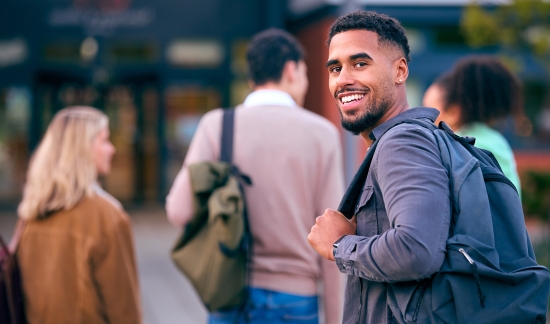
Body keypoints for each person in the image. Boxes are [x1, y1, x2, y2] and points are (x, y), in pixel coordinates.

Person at [166, 28, 344, 324]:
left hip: (229, 292)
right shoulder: (321, 134)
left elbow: (178, 211)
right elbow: (333, 236)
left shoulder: (217, 126)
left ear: (252, 78)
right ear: (291, 68)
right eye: (305, 72)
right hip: (294, 299)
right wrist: (337, 315)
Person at [307, 11, 452, 323]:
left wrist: (340, 245)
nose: (343, 79)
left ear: (400, 71)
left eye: (360, 64)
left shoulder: (401, 143)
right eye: (335, 67)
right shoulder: (405, 140)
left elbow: (417, 250)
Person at [16, 106, 142, 324]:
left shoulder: (30, 212)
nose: (112, 149)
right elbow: (125, 312)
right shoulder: (107, 217)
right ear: (82, 148)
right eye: (104, 141)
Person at [422, 55, 522, 193]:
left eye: (429, 110)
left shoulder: (464, 147)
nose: (425, 119)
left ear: (453, 112)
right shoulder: (493, 140)